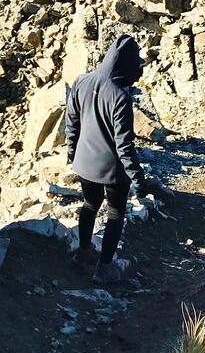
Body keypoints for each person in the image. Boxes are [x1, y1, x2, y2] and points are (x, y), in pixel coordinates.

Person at [64, 33, 167, 283]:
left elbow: (71, 122)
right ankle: (105, 268)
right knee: (115, 213)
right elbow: (124, 147)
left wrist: (71, 153)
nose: (138, 72)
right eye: (136, 66)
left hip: (83, 162)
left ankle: (84, 252)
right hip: (112, 170)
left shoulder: (82, 81)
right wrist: (139, 181)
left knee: (90, 204)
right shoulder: (120, 98)